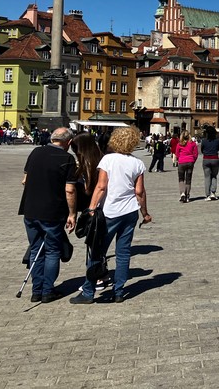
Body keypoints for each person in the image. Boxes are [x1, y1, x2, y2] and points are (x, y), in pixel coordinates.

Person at [70, 127, 152, 304]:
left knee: (97, 251)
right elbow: (139, 191)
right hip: (130, 213)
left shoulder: (108, 159)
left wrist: (91, 208)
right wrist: (144, 213)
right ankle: (119, 291)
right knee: (123, 252)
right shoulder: (137, 163)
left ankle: (88, 291)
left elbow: (101, 186)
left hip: (110, 212)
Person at [18, 127, 77, 303]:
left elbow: (25, 180)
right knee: (52, 251)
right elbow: (70, 189)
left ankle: (36, 291)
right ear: (69, 142)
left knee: (36, 249)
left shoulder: (35, 152)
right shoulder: (67, 158)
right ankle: (47, 291)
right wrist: (72, 214)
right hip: (52, 211)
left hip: (30, 210)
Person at [70, 132, 104, 213]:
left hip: (89, 205)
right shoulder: (102, 158)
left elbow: (87, 189)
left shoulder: (87, 164)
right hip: (100, 203)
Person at [174, 131, 198, 203]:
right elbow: (195, 154)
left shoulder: (179, 144)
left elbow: (177, 154)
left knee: (181, 179)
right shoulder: (193, 144)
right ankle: (187, 196)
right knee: (188, 179)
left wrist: (179, 159)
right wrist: (193, 161)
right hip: (190, 162)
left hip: (182, 162)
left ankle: (182, 193)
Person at [201, 126, 219, 201]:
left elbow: (202, 150)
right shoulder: (217, 140)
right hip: (215, 159)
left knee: (207, 177)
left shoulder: (204, 140)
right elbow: (218, 148)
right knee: (214, 176)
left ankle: (207, 195)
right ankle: (213, 192)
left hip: (206, 159)